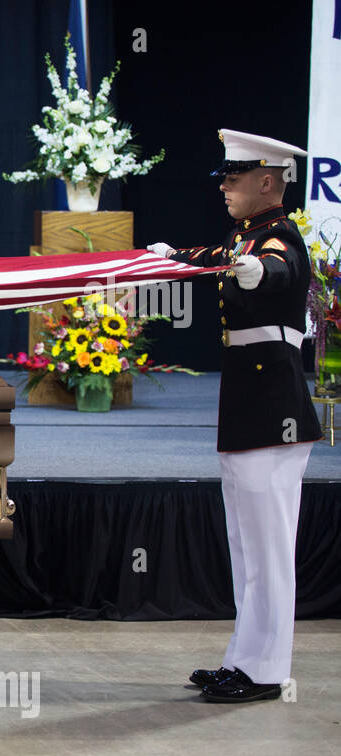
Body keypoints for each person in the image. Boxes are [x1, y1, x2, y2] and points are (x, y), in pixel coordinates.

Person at [147, 128, 322, 703]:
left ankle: (268, 672)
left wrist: (255, 272)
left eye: (234, 176)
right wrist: (179, 259)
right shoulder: (247, 234)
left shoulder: (278, 236)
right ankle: (245, 661)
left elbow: (278, 269)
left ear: (267, 181)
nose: (224, 185)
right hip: (251, 410)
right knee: (247, 544)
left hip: (274, 413)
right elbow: (227, 257)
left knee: (268, 547)